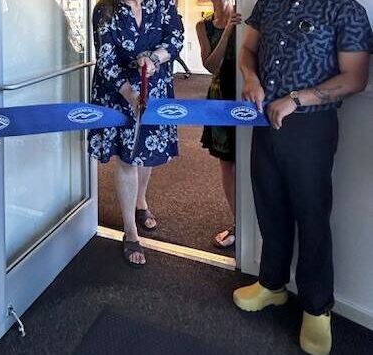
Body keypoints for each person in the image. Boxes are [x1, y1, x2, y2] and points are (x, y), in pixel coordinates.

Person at [233, 1, 372, 354]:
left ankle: (317, 307)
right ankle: (272, 285)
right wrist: (250, 78)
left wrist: (297, 99)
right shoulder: (268, 3)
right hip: (263, 122)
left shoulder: (346, 10)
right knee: (268, 206)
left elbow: (355, 77)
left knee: (312, 216)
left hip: (311, 127)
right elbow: (247, 49)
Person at [88, 0, 184, 267]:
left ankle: (141, 201)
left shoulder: (162, 3)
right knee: (127, 158)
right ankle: (130, 230)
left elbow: (175, 38)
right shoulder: (104, 9)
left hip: (155, 89)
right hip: (119, 93)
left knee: (147, 153)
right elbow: (106, 61)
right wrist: (131, 94)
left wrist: (154, 59)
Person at [195, 0, 240, 249]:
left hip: (244, 93)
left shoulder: (245, 16)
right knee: (227, 164)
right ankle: (237, 223)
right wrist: (228, 32)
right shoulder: (203, 25)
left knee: (251, 161)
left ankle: (255, 224)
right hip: (220, 95)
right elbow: (211, 65)